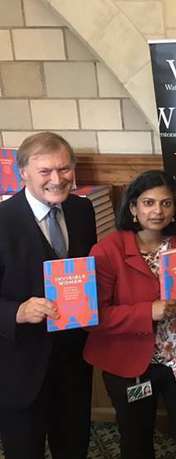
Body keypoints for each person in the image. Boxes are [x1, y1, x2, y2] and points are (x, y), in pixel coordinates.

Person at [83, 170, 176, 459]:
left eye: (166, 203)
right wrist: (147, 312)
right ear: (133, 207)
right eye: (149, 203)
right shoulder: (107, 251)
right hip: (130, 363)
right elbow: (93, 318)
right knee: (136, 439)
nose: (158, 211)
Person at [0, 132, 97, 459]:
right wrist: (16, 311)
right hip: (20, 366)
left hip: (72, 360)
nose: (57, 179)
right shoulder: (3, 220)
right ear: (22, 172)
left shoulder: (83, 211)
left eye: (64, 168)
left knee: (73, 447)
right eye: (46, 172)